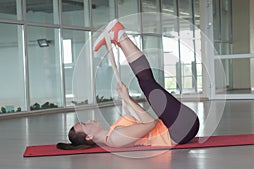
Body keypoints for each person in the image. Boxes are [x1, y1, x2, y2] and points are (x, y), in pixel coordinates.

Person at [57, 19, 200, 150]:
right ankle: (120, 36)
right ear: (89, 137)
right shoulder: (114, 139)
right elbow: (150, 123)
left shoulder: (112, 132)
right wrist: (127, 99)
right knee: (147, 83)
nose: (88, 120)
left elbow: (139, 121)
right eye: (85, 124)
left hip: (179, 127)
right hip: (180, 130)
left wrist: (125, 100)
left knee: (146, 82)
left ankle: (119, 39)